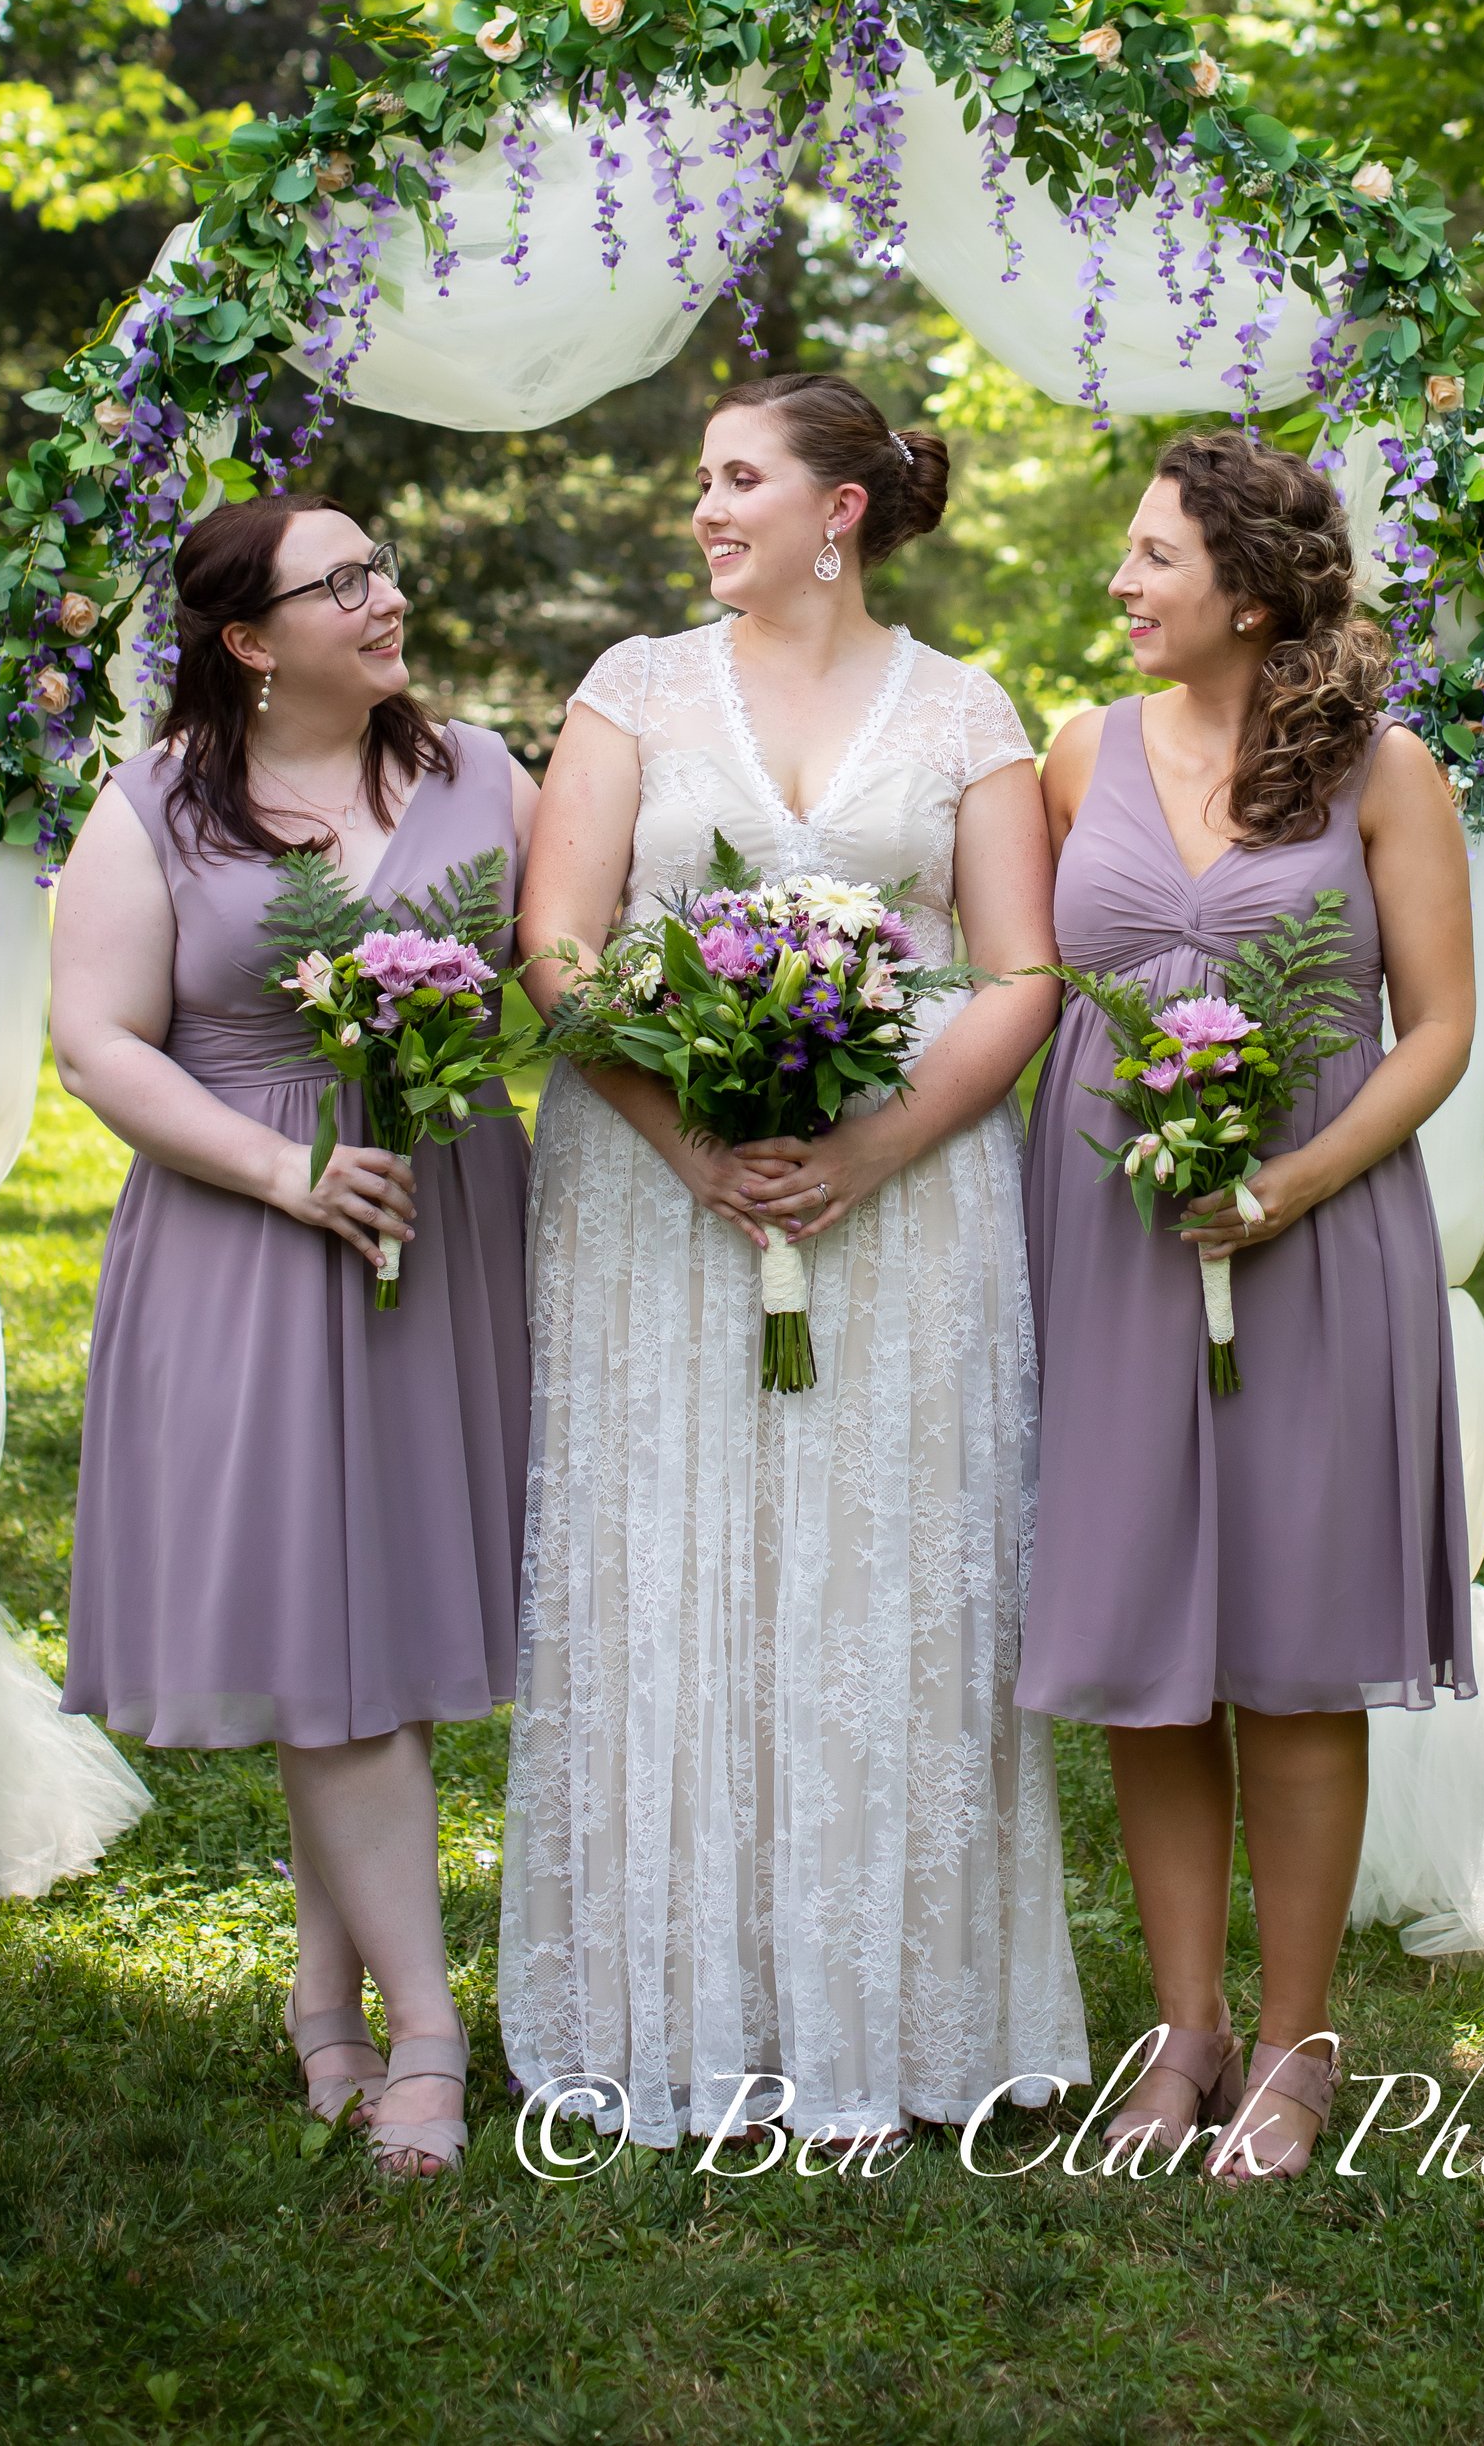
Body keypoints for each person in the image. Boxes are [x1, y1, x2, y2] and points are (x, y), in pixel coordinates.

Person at [503, 371, 1089, 2147]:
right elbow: (559, 941)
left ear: (841, 508)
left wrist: (876, 1144)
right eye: (704, 478)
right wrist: (690, 1134)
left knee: (884, 1586)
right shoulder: (632, 686)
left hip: (910, 1201)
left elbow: (1021, 972)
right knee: (667, 1565)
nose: (705, 506)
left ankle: (887, 2017)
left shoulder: (969, 708)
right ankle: (674, 2000)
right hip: (654, 1200)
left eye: (738, 476)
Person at [52, 494, 536, 2180]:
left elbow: (567, 966)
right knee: (326, 1632)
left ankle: (326, 1989)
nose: (385, 596)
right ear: (252, 640)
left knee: (374, 1628)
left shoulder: (483, 775)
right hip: (250, 1237)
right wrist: (288, 1171)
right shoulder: (158, 807)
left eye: (381, 566)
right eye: (342, 583)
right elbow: (98, 1042)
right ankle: (428, 2030)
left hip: (444, 1224)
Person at [1018, 432, 1478, 2183]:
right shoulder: (1079, 754)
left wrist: (1289, 1184)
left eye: (1155, 555)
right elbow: (1028, 981)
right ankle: (1184, 2029)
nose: (1122, 581)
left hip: (1315, 1230)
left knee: (1291, 1647)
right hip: (1113, 1234)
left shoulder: (1386, 769)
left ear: (1253, 593)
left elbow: (1436, 1027)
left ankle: (1297, 2045)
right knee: (1147, 1653)